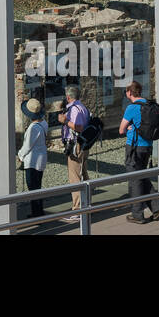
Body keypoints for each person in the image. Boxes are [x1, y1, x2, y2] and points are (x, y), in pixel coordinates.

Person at [119, 81, 159, 223]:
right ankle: (158, 208)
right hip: (147, 146)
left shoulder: (131, 108)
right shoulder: (148, 104)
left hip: (134, 148)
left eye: (126, 91)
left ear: (129, 93)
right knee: (142, 177)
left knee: (135, 180)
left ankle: (137, 215)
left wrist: (129, 128)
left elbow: (121, 130)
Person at [57, 85, 89, 223]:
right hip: (83, 145)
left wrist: (65, 121)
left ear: (68, 97)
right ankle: (86, 205)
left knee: (75, 177)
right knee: (83, 174)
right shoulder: (82, 107)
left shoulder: (74, 109)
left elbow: (79, 127)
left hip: (76, 145)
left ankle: (78, 210)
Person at [18, 98, 49, 219]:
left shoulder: (33, 128)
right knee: (38, 187)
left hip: (33, 161)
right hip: (41, 159)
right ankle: (38, 212)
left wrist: (20, 155)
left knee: (33, 188)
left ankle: (37, 214)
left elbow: (27, 146)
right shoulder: (44, 123)